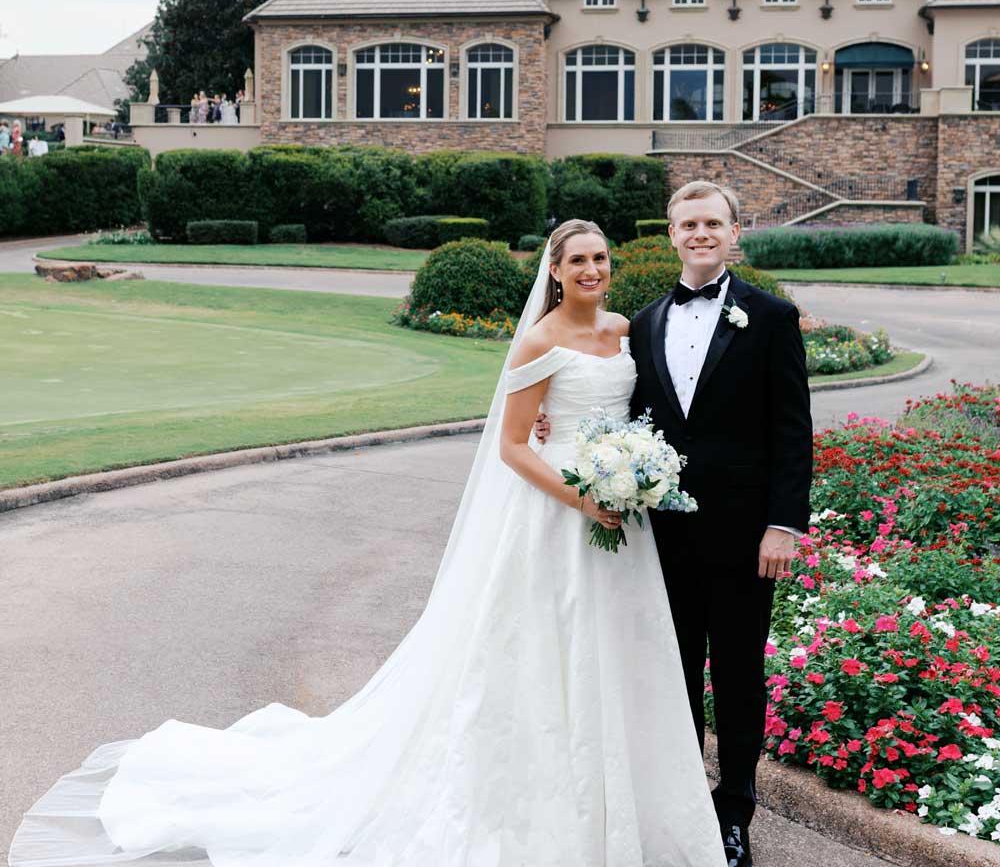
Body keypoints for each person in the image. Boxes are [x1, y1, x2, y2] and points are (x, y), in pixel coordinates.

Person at [8, 219, 727, 867]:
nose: (593, 271)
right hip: (557, 516)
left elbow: (638, 411)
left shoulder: (628, 330)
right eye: (579, 261)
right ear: (556, 270)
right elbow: (512, 445)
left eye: (601, 258)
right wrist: (582, 496)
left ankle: (619, 802)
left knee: (616, 653)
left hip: (621, 521)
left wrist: (632, 477)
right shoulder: (540, 341)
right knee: (541, 651)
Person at [536, 181, 812, 867]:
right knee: (672, 672)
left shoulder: (772, 318)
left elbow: (793, 433)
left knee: (741, 676)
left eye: (712, 223)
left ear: (734, 232)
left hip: (748, 537)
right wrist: (549, 425)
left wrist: (784, 525)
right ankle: (685, 800)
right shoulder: (646, 322)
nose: (700, 233)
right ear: (670, 235)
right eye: (688, 223)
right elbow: (618, 415)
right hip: (659, 536)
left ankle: (736, 810)